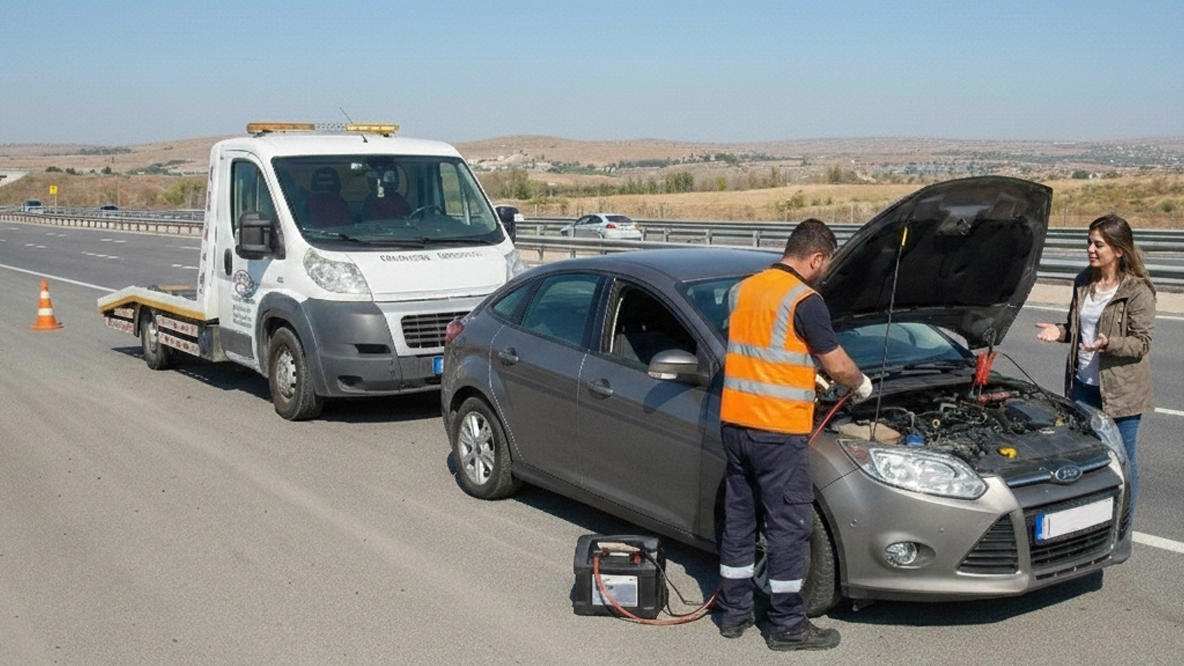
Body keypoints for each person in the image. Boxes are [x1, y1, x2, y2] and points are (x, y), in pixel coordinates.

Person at [716, 218, 872, 651]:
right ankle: (787, 625)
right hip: (777, 430)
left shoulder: (742, 290)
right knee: (789, 527)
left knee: (741, 522)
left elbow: (760, 351)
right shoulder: (805, 300)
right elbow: (837, 363)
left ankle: (734, 613)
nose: (825, 272)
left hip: (735, 425)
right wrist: (858, 384)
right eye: (826, 264)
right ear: (816, 257)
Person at [1035, 213, 1155, 515]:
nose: (1090, 249)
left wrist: (1109, 343)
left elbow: (1142, 342)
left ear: (1118, 250)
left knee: (1123, 461)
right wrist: (1059, 332)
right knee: (1087, 459)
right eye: (1089, 242)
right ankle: (1090, 518)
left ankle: (1123, 521)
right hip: (1083, 388)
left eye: (1098, 244)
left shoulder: (1136, 291)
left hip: (1121, 394)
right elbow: (1077, 329)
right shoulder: (1083, 282)